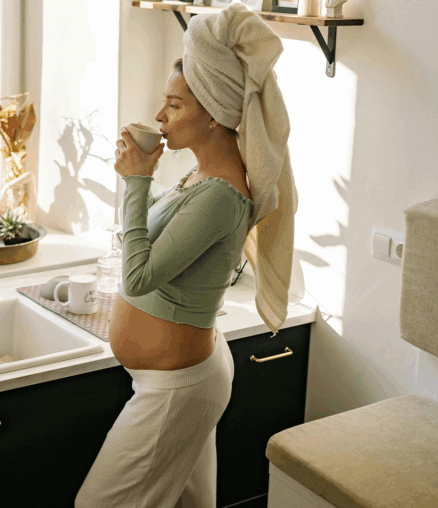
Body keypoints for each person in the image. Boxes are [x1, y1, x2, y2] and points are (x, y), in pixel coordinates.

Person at [75, 3, 298, 507]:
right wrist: (140, 181)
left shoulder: (220, 193)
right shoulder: (198, 177)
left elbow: (137, 277)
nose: (159, 117)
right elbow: (147, 242)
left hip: (175, 390)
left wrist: (137, 179)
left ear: (216, 114)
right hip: (176, 380)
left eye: (173, 106)